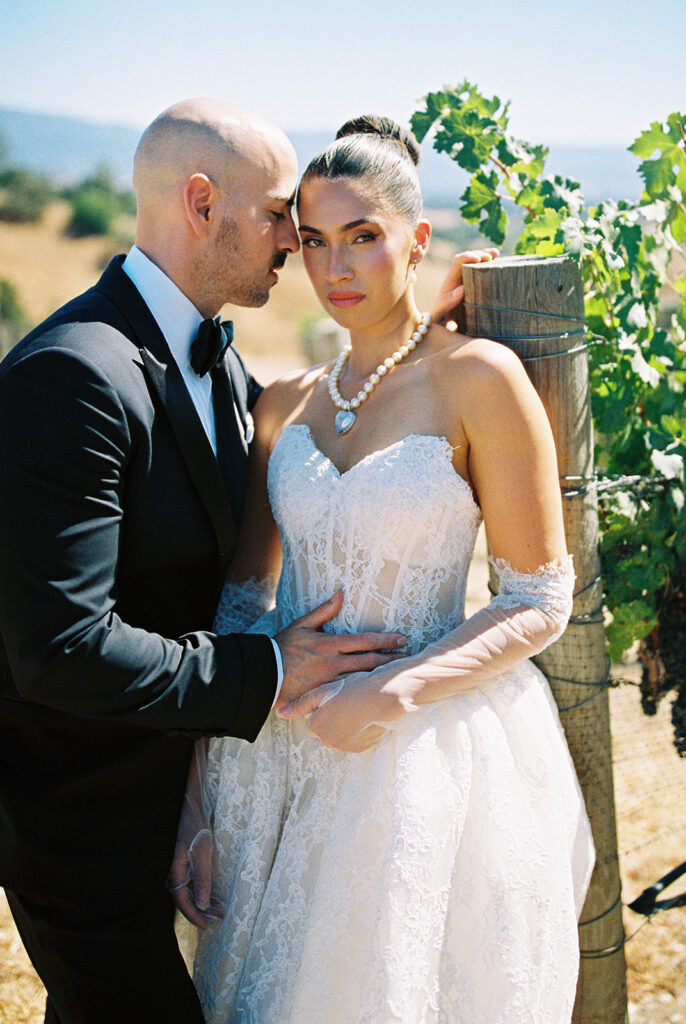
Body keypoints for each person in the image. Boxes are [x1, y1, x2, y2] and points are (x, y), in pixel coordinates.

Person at [0, 100, 415, 1024]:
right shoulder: (70, 376)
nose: (292, 242)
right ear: (200, 203)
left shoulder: (217, 362)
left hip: (197, 810)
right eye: (278, 216)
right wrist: (267, 668)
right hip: (88, 831)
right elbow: (61, 649)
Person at [176, 116, 596, 1023]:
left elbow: (538, 596)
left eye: (364, 238)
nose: (337, 270)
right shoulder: (283, 403)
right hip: (271, 758)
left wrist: (397, 690)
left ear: (417, 240)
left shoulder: (478, 379)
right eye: (316, 242)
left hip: (413, 758)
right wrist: (199, 804)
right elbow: (243, 605)